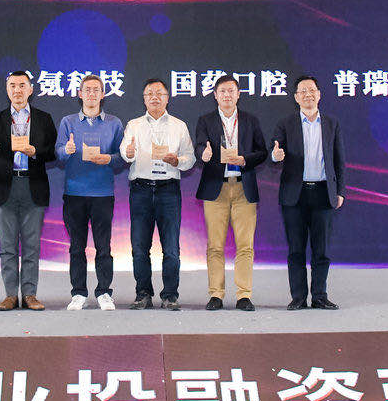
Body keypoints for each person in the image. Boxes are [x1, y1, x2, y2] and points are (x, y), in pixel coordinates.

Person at [0, 70, 57, 311]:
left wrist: (36, 152)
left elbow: (52, 152)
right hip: (6, 187)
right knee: (8, 247)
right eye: (12, 85)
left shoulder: (43, 118)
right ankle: (10, 295)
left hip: (33, 186)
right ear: (7, 90)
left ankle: (30, 294)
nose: (17, 90)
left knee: (32, 246)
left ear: (31, 89)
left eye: (22, 85)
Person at [270, 75, 346, 310]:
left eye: (311, 90)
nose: (307, 94)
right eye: (302, 91)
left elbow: (339, 160)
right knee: (296, 249)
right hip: (295, 195)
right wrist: (276, 156)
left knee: (322, 250)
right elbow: (274, 152)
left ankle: (320, 296)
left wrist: (340, 191)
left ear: (319, 94)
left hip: (323, 192)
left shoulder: (331, 123)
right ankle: (299, 297)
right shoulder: (286, 123)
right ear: (296, 97)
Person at [192, 74, 267, 311]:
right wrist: (203, 154)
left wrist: (245, 159)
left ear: (238, 94)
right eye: (222, 91)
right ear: (215, 95)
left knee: (245, 245)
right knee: (215, 245)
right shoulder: (205, 120)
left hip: (244, 188)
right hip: (217, 188)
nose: (227, 95)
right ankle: (216, 294)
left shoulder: (250, 120)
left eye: (231, 91)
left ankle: (244, 295)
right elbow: (199, 146)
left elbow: (262, 152)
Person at [53, 74, 127, 310]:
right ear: (80, 94)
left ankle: (104, 291)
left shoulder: (114, 123)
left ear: (103, 94)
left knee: (104, 247)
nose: (92, 94)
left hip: (103, 194)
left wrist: (108, 159)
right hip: (74, 193)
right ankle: (78, 293)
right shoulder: (68, 122)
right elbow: (58, 155)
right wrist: (67, 149)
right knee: (76, 247)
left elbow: (122, 158)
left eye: (96, 90)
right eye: (87, 90)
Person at [120, 77, 194, 310]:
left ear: (167, 98)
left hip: (168, 190)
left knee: (171, 247)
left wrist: (178, 160)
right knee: (139, 247)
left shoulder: (179, 126)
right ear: (144, 99)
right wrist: (128, 152)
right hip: (141, 189)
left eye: (159, 93)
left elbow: (190, 158)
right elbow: (125, 152)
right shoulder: (133, 125)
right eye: (150, 94)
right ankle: (143, 293)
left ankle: (170, 295)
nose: (154, 97)